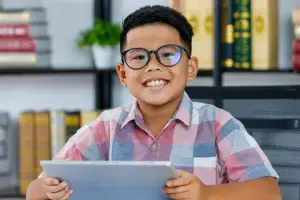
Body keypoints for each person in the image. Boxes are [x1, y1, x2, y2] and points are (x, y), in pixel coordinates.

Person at [26, 5, 282, 200]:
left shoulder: (218, 125)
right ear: (123, 74)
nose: (153, 66)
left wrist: (205, 193)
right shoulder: (106, 128)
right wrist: (48, 189)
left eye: (168, 54)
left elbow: (269, 192)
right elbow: (34, 191)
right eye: (139, 57)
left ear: (191, 68)